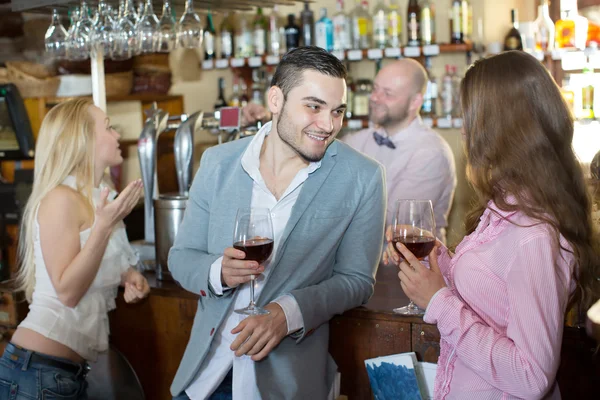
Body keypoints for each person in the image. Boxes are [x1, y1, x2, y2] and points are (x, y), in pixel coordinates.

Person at [169, 46, 386, 399]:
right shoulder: (217, 163)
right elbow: (181, 257)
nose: (328, 125)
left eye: (337, 111)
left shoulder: (363, 176)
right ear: (275, 100)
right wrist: (218, 273)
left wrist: (289, 312)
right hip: (204, 380)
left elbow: (357, 281)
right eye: (313, 107)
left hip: (287, 383)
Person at [384, 51, 600, 399]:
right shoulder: (506, 206)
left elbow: (531, 377)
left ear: (499, 128)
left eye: (470, 116)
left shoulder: (533, 235)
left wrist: (438, 301)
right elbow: (493, 294)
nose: (464, 128)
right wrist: (437, 257)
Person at [0, 99, 150, 398]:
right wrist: (104, 226)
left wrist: (129, 277)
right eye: (108, 128)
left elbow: (99, 259)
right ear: (83, 141)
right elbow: (67, 291)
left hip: (62, 373)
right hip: (37, 371)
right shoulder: (61, 198)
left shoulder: (96, 197)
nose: (118, 135)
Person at [343, 59, 456, 243]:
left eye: (387, 93)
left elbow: (393, 222)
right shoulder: (354, 141)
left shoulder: (431, 152)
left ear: (415, 102)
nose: (374, 98)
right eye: (375, 88)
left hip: (412, 266)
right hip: (359, 268)